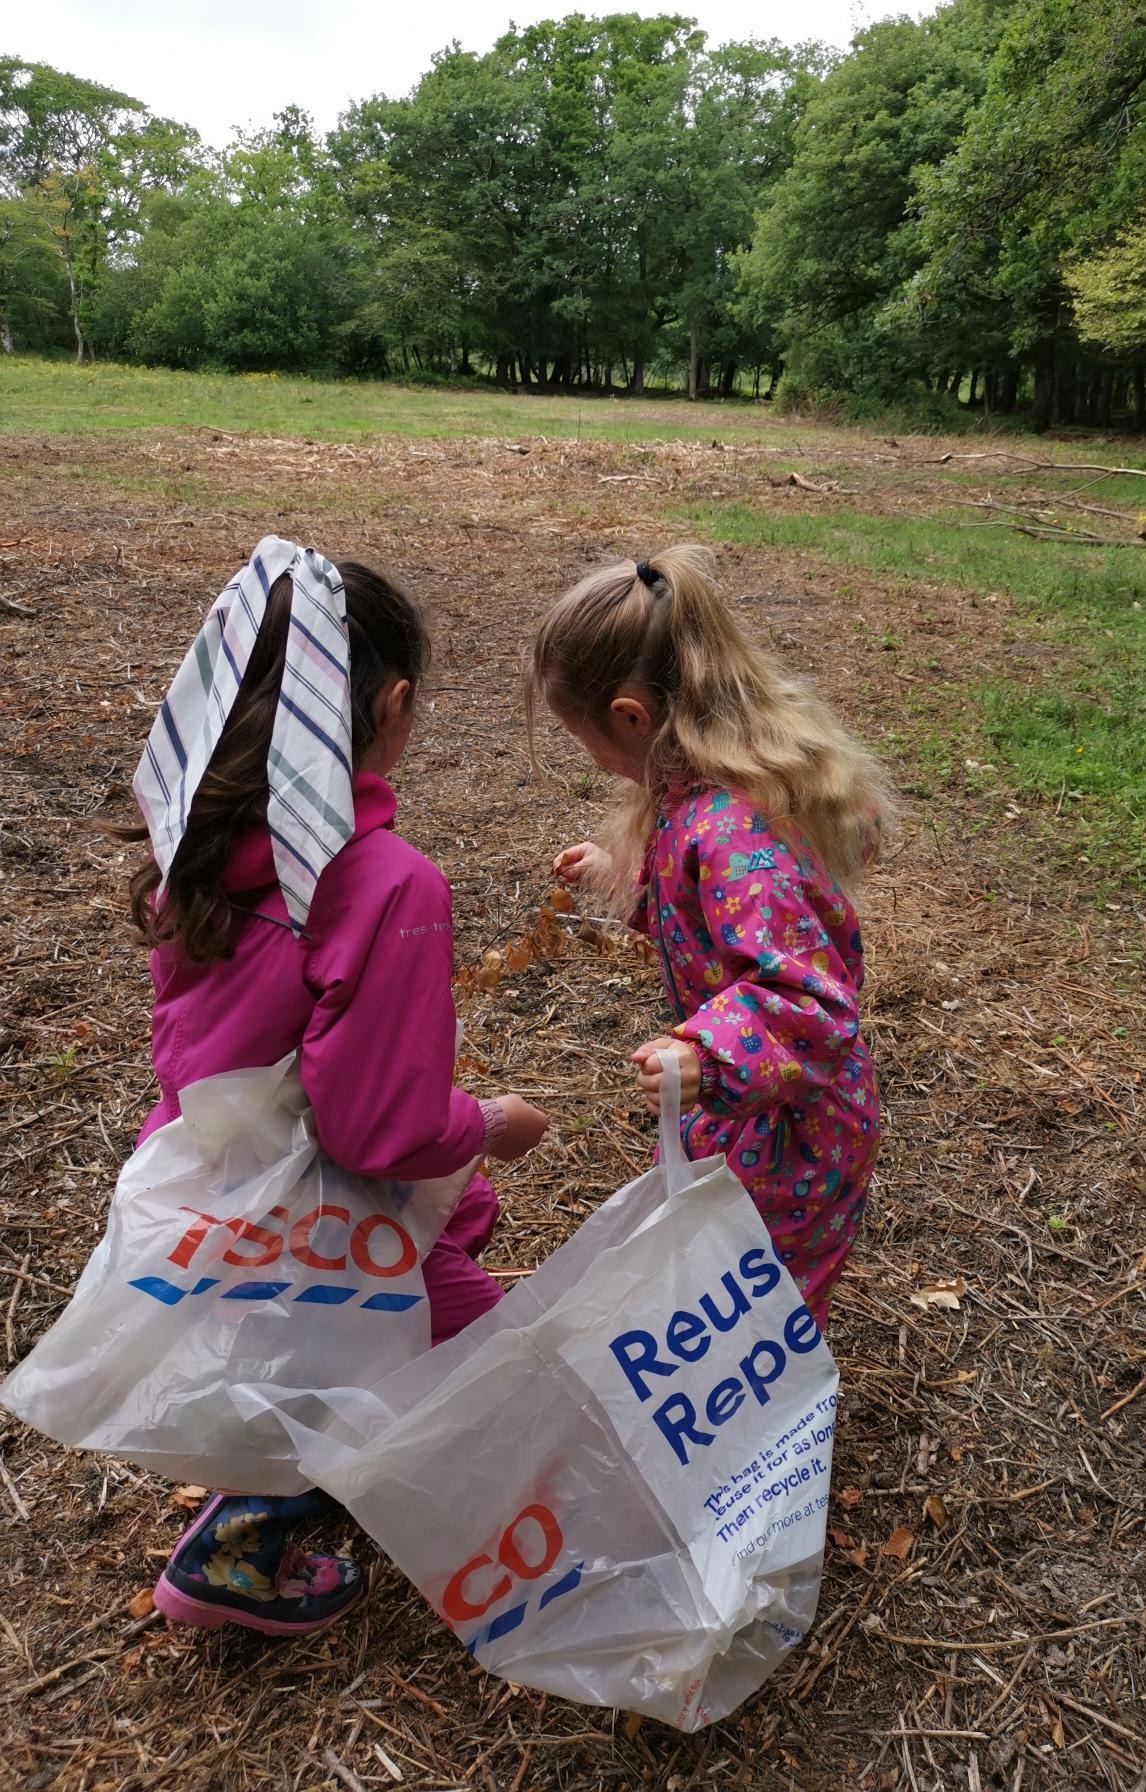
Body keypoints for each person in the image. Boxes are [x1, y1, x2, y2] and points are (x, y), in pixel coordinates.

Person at [121, 535, 547, 1635]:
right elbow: (373, 1128)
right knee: (505, 1385)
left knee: (355, 1313)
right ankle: (237, 1549)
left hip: (213, 1187)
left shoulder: (198, 840)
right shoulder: (386, 884)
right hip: (321, 1218)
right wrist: (489, 1122)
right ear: (392, 706)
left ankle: (308, 1452)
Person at [526, 544, 891, 1333]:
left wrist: (711, 1053)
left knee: (761, 1303)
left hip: (789, 1127)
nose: (593, 760)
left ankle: (774, 1397)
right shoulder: (706, 790)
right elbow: (713, 912)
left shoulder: (729, 827)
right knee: (721, 1273)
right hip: (756, 1103)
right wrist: (626, 876)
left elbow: (810, 998)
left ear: (631, 717)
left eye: (583, 739)